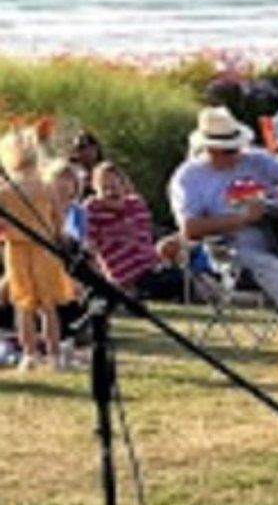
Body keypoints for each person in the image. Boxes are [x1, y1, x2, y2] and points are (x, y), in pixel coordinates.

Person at [168, 105, 278, 322]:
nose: (237, 153)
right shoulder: (188, 178)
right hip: (234, 250)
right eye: (229, 150)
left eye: (237, 147)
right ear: (209, 148)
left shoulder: (255, 159)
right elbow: (189, 227)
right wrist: (242, 218)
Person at [0, 129, 76, 369]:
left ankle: (29, 354)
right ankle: (54, 354)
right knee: (48, 305)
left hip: (16, 248)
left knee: (23, 304)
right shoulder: (45, 186)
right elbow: (58, 219)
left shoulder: (5, 191)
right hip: (44, 247)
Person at [82, 160, 185, 301]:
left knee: (183, 276)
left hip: (151, 268)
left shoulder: (136, 206)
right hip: (126, 277)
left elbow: (145, 240)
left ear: (124, 185)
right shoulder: (93, 210)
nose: (111, 192)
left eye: (115, 186)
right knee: (176, 280)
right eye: (104, 188)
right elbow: (88, 248)